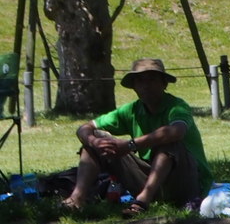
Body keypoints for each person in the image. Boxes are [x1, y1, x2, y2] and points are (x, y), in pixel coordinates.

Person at [64, 58, 212, 214]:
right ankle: (76, 199)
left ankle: (142, 202)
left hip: (186, 183)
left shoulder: (177, 107)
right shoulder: (131, 110)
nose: (146, 85)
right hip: (149, 178)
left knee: (170, 142)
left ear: (164, 84)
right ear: (134, 86)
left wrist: (129, 145)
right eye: (140, 80)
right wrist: (93, 141)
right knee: (96, 139)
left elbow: (176, 132)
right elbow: (86, 127)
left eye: (152, 79)